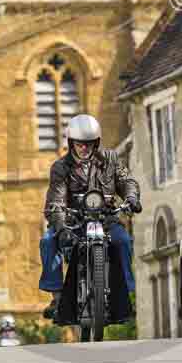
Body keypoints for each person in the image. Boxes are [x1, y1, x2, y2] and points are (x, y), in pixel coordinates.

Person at [39, 114, 142, 319]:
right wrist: (61, 227)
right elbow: (56, 200)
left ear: (96, 143)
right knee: (48, 240)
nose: (84, 148)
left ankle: (126, 295)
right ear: (71, 143)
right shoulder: (60, 168)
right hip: (73, 221)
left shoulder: (111, 159)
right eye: (79, 144)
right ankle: (57, 296)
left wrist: (131, 197)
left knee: (122, 240)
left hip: (106, 219)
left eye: (88, 144)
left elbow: (126, 180)